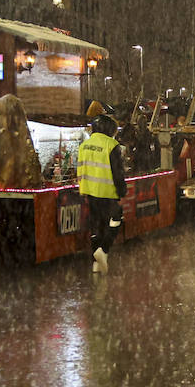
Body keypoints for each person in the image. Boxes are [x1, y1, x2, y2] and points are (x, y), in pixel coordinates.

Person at [79, 113, 127, 271]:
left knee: (96, 225)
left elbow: (80, 169)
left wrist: (83, 188)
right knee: (116, 219)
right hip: (107, 191)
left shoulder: (84, 145)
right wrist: (121, 190)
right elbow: (117, 172)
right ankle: (104, 250)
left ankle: (97, 262)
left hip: (90, 192)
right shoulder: (111, 145)